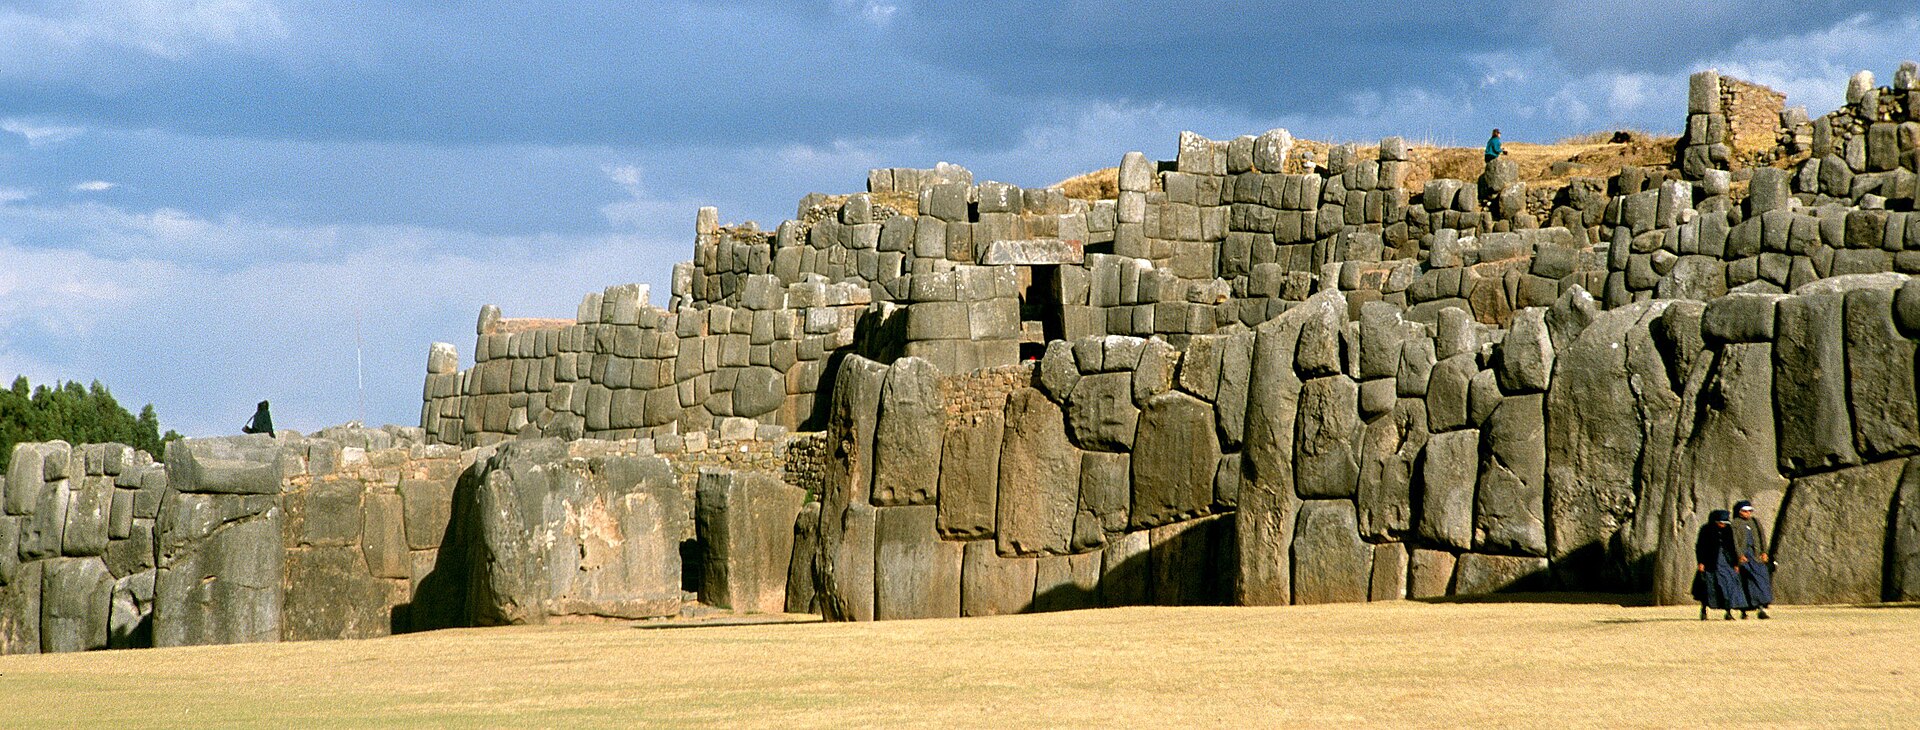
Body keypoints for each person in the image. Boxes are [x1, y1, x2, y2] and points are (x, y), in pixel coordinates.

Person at [1693, 509, 1748, 621]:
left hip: (1726, 563)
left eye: (1724, 523)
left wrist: (1735, 563)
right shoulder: (1706, 530)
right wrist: (1701, 562)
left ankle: (1728, 612)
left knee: (1728, 586)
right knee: (1708, 587)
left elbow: (1732, 547)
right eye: (1721, 522)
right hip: (1710, 563)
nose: (1723, 525)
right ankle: (1704, 610)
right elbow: (1701, 547)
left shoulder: (1728, 530)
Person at [1729, 500, 1773, 619]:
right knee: (1743, 582)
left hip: (1755, 556)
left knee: (1760, 579)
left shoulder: (1755, 522)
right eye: (1744, 511)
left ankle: (1761, 607)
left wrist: (1764, 552)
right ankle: (1744, 610)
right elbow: (1734, 542)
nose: (1747, 513)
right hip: (1743, 557)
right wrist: (1739, 555)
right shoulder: (1735, 524)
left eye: (1749, 511)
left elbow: (1761, 537)